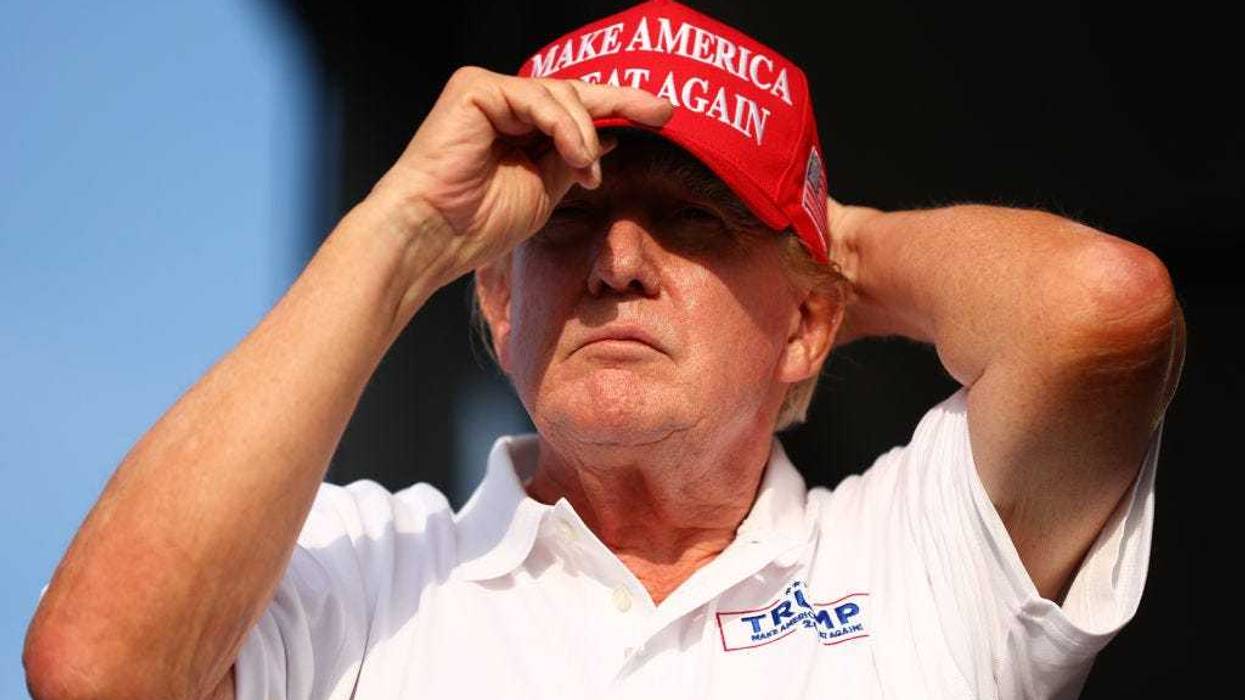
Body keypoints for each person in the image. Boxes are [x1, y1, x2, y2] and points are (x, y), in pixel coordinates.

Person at [24, 1, 1185, 698]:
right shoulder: (362, 568)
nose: (618, 259)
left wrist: (829, 252)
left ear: (812, 325)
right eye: (566, 217)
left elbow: (1104, 311)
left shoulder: (912, 549)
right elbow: (96, 667)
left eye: (693, 221)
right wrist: (405, 233)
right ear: (496, 303)